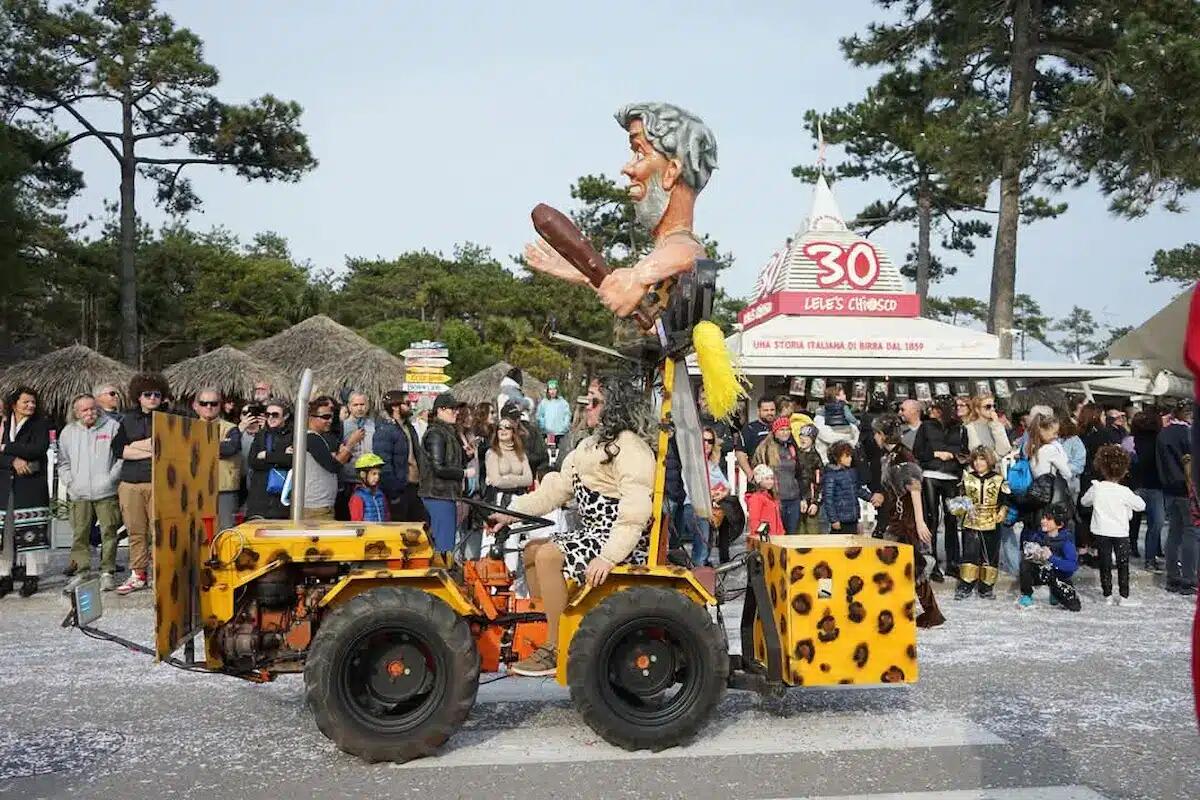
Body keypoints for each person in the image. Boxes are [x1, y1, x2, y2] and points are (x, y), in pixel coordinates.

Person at [489, 375, 655, 677]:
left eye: (594, 402)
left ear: (613, 407)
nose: (586, 407)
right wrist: (509, 512)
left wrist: (608, 556)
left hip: (618, 540)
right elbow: (555, 491)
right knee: (531, 550)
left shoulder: (632, 449)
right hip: (593, 535)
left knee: (549, 554)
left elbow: (635, 510)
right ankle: (546, 628)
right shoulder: (589, 446)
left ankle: (556, 646)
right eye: (586, 401)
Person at [524, 102, 717, 319]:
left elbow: (691, 254)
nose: (627, 168)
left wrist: (639, 277)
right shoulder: (661, 267)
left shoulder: (679, 252)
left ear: (671, 171)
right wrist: (590, 276)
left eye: (640, 154)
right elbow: (648, 325)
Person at [873, 413, 944, 628]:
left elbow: (914, 488)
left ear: (882, 435)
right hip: (896, 517)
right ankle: (916, 609)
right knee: (904, 563)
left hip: (907, 520)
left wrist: (920, 522)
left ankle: (930, 612)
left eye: (876, 433)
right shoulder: (890, 456)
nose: (875, 438)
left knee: (912, 564)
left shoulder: (903, 456)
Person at [111, 373, 169, 596]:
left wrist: (135, 447)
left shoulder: (169, 418)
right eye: (148, 394)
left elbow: (167, 447)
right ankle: (138, 574)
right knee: (136, 531)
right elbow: (119, 450)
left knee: (159, 532)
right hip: (131, 482)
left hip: (159, 482)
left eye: (157, 394)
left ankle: (159, 574)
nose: (153, 398)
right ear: (139, 397)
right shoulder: (126, 420)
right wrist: (150, 448)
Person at [59, 394, 123, 593]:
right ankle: (82, 572)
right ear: (76, 412)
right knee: (80, 535)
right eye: (84, 410)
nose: (89, 413)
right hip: (79, 493)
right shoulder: (68, 432)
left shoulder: (112, 427)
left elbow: (121, 456)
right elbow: (63, 462)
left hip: (106, 491)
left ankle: (107, 573)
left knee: (109, 533)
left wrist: (111, 478)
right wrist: (70, 482)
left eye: (92, 408)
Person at [0, 387, 53, 598]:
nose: (30, 406)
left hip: (31, 483)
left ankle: (32, 576)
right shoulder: (3, 424)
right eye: (25, 402)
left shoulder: (40, 425)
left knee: (31, 530)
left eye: (33, 402)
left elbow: (37, 449)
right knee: (4, 533)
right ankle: (4, 575)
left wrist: (6, 448)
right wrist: (12, 459)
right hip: (4, 485)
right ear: (14, 404)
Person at [1081, 444, 1146, 606]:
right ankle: (1124, 596)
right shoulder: (1124, 491)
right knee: (1123, 564)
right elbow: (1141, 505)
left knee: (1105, 563)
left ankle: (1107, 595)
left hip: (1101, 530)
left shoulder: (1097, 488)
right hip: (1120, 531)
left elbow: (1084, 501)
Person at [914, 396, 967, 581]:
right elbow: (918, 452)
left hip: (951, 476)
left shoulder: (960, 429)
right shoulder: (926, 427)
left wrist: (951, 455)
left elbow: (965, 453)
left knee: (952, 519)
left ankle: (953, 562)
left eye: (936, 408)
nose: (932, 411)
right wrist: (936, 453)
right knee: (932, 519)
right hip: (931, 474)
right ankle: (933, 562)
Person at [954, 446, 1010, 600]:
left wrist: (1002, 511)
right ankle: (966, 585)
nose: (978, 463)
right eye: (976, 459)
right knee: (969, 553)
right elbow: (960, 498)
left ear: (989, 461)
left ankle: (986, 587)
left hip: (992, 521)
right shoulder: (967, 478)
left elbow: (1005, 500)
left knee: (990, 554)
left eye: (982, 459)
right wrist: (959, 507)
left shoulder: (998, 479)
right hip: (971, 520)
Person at [1158, 401, 1197, 595]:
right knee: (1192, 532)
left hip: (1169, 488)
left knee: (1174, 531)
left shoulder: (1163, 433)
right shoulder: (1187, 433)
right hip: (1187, 488)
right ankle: (1189, 578)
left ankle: (1172, 576)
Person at [192, 388, 243, 532]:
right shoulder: (188, 428)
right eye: (204, 403)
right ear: (195, 406)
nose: (209, 407)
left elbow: (231, 448)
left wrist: (199, 446)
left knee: (226, 532)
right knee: (199, 532)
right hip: (196, 488)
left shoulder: (231, 428)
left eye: (214, 403)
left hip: (224, 490)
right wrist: (219, 444)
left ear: (220, 406)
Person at [420, 393, 466, 552]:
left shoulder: (446, 432)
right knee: (444, 547)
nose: (456, 412)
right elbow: (438, 468)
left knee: (446, 544)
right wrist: (463, 473)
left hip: (444, 494)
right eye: (452, 409)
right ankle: (442, 574)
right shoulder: (436, 433)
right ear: (440, 410)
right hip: (438, 495)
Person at [1017, 504, 1082, 612]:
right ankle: (1026, 595)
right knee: (1025, 565)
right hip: (1042, 572)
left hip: (1059, 576)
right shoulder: (1037, 535)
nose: (1043, 521)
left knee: (1074, 606)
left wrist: (1052, 558)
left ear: (1059, 524)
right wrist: (1034, 552)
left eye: (1048, 519)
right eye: (1043, 518)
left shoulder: (1066, 541)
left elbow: (1072, 566)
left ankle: (1055, 593)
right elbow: (1026, 549)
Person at [374, 391, 426, 524]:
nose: (411, 406)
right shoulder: (385, 430)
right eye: (407, 403)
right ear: (395, 407)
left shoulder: (409, 428)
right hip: (400, 489)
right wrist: (394, 492)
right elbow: (383, 464)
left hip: (415, 487)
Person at [300, 395, 353, 520]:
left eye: (331, 417)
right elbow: (333, 466)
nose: (329, 421)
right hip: (315, 507)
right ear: (311, 417)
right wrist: (350, 444)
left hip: (321, 504)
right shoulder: (312, 438)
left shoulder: (319, 438)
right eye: (325, 417)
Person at [752, 417, 804, 534]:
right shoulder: (765, 448)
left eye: (787, 429)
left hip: (793, 498)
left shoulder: (792, 447)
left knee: (792, 535)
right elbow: (759, 472)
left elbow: (799, 473)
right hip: (776, 498)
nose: (785, 432)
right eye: (782, 429)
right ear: (775, 431)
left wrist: (803, 498)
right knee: (776, 534)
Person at [245, 399, 292, 520]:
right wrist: (280, 457)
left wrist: (267, 456)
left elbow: (292, 461)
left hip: (281, 496)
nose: (271, 418)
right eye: (267, 415)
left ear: (285, 416)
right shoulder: (261, 435)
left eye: (275, 415)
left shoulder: (292, 435)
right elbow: (253, 461)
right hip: (259, 495)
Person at [1131, 410, 1165, 571]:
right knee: (1155, 523)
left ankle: (1143, 554)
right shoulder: (1159, 439)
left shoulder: (1133, 441)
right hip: (1154, 486)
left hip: (1140, 485)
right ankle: (1150, 558)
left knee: (1137, 522)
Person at [705, 428, 743, 564]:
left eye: (710, 441)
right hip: (699, 501)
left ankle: (724, 557)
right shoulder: (694, 463)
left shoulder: (713, 464)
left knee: (727, 510)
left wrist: (720, 494)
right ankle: (705, 559)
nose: (706, 444)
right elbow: (691, 486)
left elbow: (726, 485)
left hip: (716, 499)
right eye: (703, 440)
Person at [338, 392, 376, 520]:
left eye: (362, 404)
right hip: (349, 479)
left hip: (368, 480)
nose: (359, 408)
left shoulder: (373, 425)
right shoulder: (342, 426)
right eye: (355, 405)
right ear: (349, 406)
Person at [821, 441, 870, 534]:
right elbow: (828, 499)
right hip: (840, 519)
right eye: (846, 456)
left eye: (850, 456)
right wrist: (834, 519)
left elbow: (857, 489)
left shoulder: (852, 472)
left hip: (852, 517)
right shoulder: (831, 475)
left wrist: (871, 497)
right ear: (837, 458)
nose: (850, 459)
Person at [502, 399, 550, 480]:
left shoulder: (531, 432)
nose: (517, 421)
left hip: (531, 476)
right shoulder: (499, 435)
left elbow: (543, 456)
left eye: (518, 417)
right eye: (513, 419)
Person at [736, 395, 776, 479]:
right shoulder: (749, 428)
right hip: (758, 476)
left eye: (772, 410)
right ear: (758, 411)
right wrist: (750, 474)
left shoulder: (780, 428)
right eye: (766, 410)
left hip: (777, 476)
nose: (769, 413)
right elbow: (740, 453)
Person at [746, 464, 784, 540]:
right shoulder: (756, 498)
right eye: (766, 479)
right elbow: (754, 520)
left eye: (771, 478)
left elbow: (778, 518)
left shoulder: (771, 497)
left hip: (775, 537)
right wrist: (759, 536)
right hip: (764, 538)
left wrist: (781, 532)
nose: (770, 481)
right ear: (759, 481)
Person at [348, 453, 390, 522]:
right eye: (374, 474)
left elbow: (387, 516)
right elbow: (356, 522)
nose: (377, 477)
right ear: (363, 474)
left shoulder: (380, 494)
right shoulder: (357, 497)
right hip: (368, 532)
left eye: (378, 474)